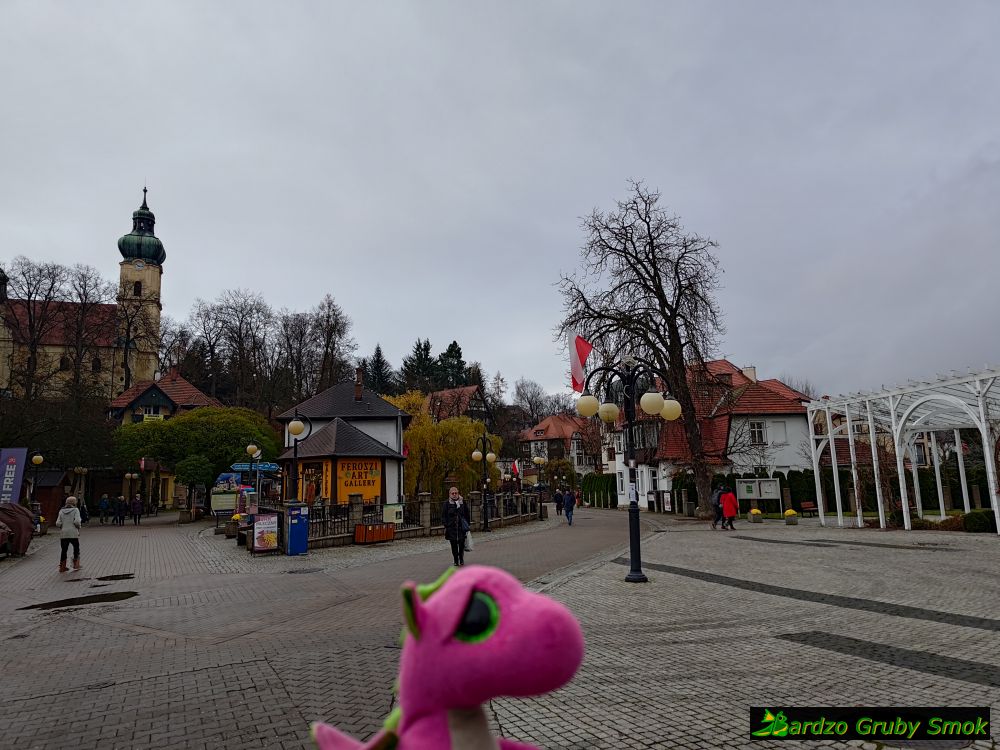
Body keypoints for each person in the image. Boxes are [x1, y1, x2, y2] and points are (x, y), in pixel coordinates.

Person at [442, 486, 471, 567]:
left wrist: (467, 524)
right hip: (451, 528)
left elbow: (466, 513)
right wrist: (446, 525)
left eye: (456, 493)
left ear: (458, 493)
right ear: (450, 494)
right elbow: (444, 516)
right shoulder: (446, 503)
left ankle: (461, 558)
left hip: (461, 527)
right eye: (453, 493)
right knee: (454, 545)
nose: (454, 495)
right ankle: (455, 559)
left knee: (461, 544)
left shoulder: (462, 502)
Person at [55, 496, 82, 572]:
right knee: (76, 548)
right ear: (74, 502)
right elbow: (77, 521)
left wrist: (62, 526)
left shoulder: (61, 511)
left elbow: (57, 523)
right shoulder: (75, 510)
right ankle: (76, 564)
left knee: (64, 550)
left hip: (64, 533)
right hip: (73, 533)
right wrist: (78, 526)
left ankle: (62, 567)